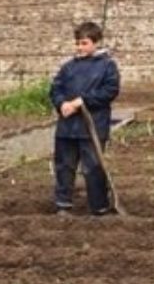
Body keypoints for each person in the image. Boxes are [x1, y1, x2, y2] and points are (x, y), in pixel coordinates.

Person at [50, 20, 121, 215]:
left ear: (96, 43)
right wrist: (62, 103)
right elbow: (56, 88)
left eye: (84, 43)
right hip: (67, 127)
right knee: (64, 166)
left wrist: (82, 102)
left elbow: (110, 91)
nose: (80, 47)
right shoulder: (68, 67)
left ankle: (98, 206)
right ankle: (63, 204)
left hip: (92, 126)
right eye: (78, 43)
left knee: (93, 167)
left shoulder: (107, 66)